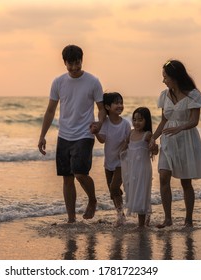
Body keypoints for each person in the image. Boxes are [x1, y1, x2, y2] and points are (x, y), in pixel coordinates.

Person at [38, 44, 106, 223]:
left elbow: (101, 108)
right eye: (71, 64)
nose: (75, 68)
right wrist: (42, 135)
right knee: (67, 178)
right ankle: (71, 219)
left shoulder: (93, 81)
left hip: (84, 134)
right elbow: (51, 110)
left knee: (80, 173)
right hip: (64, 135)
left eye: (78, 63)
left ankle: (92, 200)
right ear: (64, 63)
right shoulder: (58, 82)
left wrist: (99, 124)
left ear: (82, 60)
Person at [149, 59, 201, 228]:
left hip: (186, 140)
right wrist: (153, 138)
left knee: (185, 182)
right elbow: (163, 121)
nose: (163, 80)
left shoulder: (193, 94)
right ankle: (167, 219)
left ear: (175, 77)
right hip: (168, 139)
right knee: (163, 176)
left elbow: (194, 121)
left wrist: (180, 128)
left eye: (165, 77)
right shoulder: (164, 95)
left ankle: (188, 220)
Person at [95, 92, 131, 227]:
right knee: (113, 191)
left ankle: (121, 214)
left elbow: (129, 140)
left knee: (114, 187)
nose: (120, 105)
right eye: (116, 103)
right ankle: (120, 215)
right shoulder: (105, 123)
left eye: (121, 103)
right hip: (108, 162)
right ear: (107, 107)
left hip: (122, 161)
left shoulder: (125, 124)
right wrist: (96, 132)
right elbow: (102, 140)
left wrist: (124, 147)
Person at [121, 107, 155, 227]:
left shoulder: (147, 134)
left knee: (141, 194)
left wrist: (153, 146)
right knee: (133, 192)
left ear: (146, 121)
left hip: (143, 170)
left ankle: (141, 224)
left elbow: (155, 151)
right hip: (132, 169)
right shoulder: (131, 133)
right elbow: (125, 146)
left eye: (140, 120)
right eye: (134, 120)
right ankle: (146, 217)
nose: (136, 123)